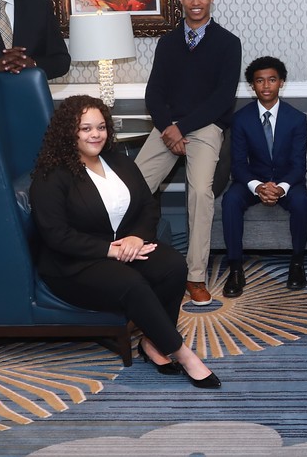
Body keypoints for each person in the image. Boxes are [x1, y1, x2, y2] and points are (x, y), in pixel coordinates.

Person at [30, 96, 221, 388]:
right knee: (132, 283)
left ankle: (153, 343)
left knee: (172, 265)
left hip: (124, 246)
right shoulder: (51, 175)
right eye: (85, 128)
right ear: (69, 131)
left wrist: (136, 237)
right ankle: (182, 353)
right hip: (73, 263)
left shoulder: (119, 161)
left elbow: (148, 206)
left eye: (101, 127)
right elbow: (56, 236)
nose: (95, 134)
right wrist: (110, 250)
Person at [135, 0, 242, 306]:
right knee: (131, 186)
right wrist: (169, 127)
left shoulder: (228, 43)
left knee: (199, 193)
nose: (196, 2)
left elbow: (222, 98)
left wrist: (183, 128)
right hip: (167, 126)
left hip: (206, 126)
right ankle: (126, 255)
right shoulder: (167, 43)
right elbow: (154, 93)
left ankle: (194, 276)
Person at [221, 57, 307, 298]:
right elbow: (238, 164)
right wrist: (258, 186)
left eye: (272, 80)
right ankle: (236, 269)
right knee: (230, 200)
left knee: (302, 202)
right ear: (252, 85)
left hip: (287, 181)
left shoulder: (297, 118)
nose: (266, 86)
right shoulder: (241, 119)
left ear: (281, 82)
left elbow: (298, 164)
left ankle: (297, 264)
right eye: (260, 81)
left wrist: (280, 188)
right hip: (253, 181)